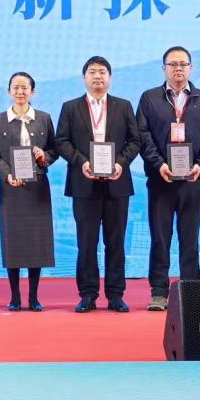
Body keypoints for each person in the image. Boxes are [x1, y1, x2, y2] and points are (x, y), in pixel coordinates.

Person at [54, 56, 141, 313]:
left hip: (117, 184)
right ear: (84, 78)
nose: (98, 77)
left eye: (102, 72)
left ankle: (116, 295)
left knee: (116, 242)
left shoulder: (123, 106)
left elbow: (135, 141)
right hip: (84, 184)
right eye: (92, 72)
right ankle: (88, 295)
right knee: (87, 242)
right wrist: (81, 162)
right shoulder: (71, 107)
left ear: (110, 77)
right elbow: (62, 141)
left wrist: (120, 163)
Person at [137, 46, 200, 311]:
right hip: (160, 180)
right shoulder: (150, 98)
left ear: (191, 68)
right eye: (173, 64)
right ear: (164, 69)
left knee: (190, 238)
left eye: (183, 64)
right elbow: (143, 135)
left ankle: (191, 291)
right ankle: (159, 292)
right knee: (160, 238)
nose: (178, 69)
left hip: (192, 181)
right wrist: (159, 164)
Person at [0, 72, 57, 311]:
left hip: (38, 189)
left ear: (32, 92)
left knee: (36, 242)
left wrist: (44, 157)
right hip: (11, 188)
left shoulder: (44, 119)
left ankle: (34, 297)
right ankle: (15, 297)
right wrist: (7, 174)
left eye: (25, 87)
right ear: (9, 91)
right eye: (15, 87)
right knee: (13, 241)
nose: (20, 92)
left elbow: (54, 150)